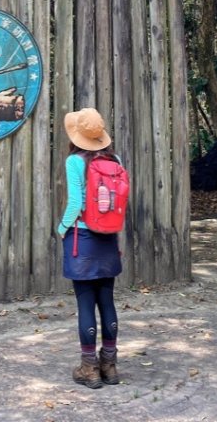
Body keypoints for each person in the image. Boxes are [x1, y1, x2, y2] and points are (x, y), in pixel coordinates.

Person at [57, 107, 122, 389]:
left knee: (86, 302)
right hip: (108, 237)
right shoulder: (115, 159)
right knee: (107, 301)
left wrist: (61, 230)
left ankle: (89, 369)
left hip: (81, 239)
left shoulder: (74, 161)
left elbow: (74, 204)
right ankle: (110, 366)